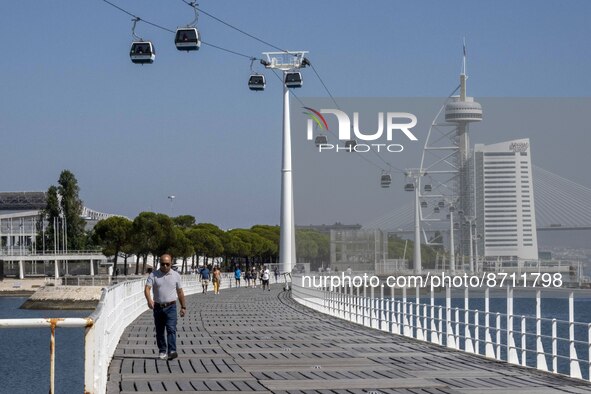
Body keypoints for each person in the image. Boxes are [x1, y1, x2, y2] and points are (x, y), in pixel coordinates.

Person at [144, 254, 186, 361]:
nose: (165, 266)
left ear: (171, 263)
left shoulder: (176, 275)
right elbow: (147, 289)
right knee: (159, 330)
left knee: (171, 329)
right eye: (163, 264)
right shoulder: (154, 275)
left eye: (168, 264)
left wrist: (183, 307)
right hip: (158, 307)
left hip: (171, 306)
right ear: (160, 263)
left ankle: (172, 351)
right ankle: (162, 350)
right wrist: (149, 300)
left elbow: (180, 292)